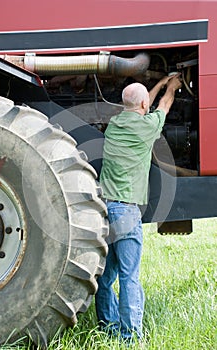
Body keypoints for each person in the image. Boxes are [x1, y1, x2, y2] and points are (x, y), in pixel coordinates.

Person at [95, 74, 182, 342]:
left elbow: (142, 103)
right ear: (144, 105)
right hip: (126, 212)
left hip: (103, 212)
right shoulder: (147, 128)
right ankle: (130, 337)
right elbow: (163, 106)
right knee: (129, 277)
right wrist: (172, 86)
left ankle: (107, 328)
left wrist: (156, 85)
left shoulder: (115, 124)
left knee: (106, 277)